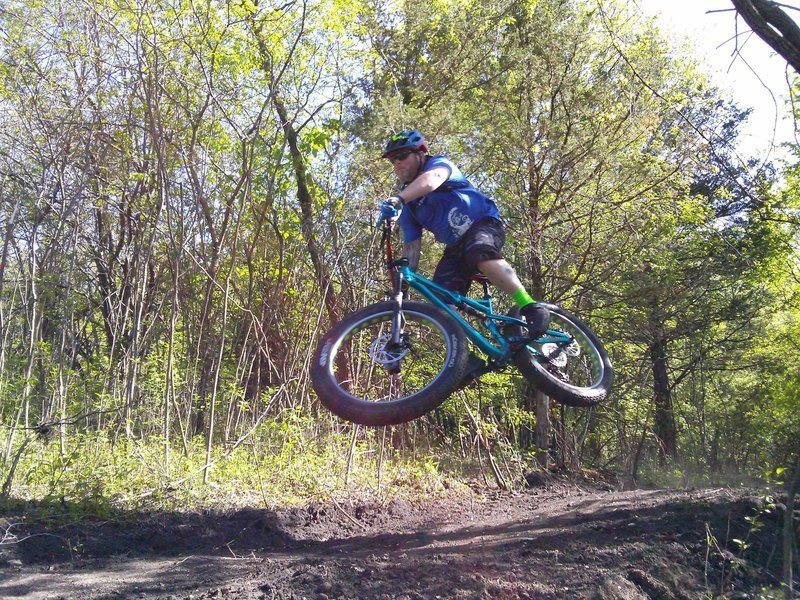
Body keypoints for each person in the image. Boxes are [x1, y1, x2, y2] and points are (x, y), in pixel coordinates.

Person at [378, 129, 550, 337]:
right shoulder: (410, 207)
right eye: (392, 160)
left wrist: (399, 199)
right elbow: (411, 248)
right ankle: (461, 357)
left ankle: (529, 305)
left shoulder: (438, 164)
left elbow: (432, 180)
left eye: (402, 156)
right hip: (456, 247)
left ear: (420, 153)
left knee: (478, 250)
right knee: (439, 301)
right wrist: (403, 285)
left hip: (484, 224)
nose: (397, 163)